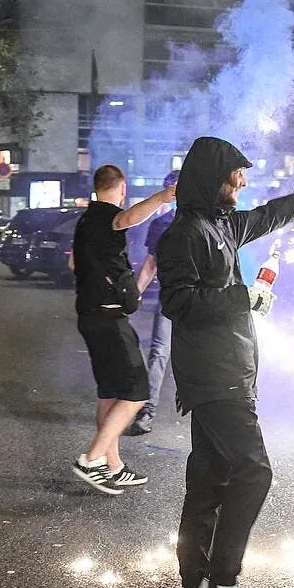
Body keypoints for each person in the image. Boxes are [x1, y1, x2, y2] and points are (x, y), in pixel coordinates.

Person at [157, 136, 294, 588]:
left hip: (230, 370)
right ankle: (222, 584)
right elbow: (179, 304)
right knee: (254, 473)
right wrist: (247, 296)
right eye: (231, 176)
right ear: (208, 180)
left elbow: (267, 216)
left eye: (241, 175)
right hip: (213, 376)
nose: (240, 183)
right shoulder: (184, 234)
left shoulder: (221, 224)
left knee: (207, 484)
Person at [71, 164, 176, 495]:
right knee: (136, 391)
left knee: (110, 392)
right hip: (108, 317)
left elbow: (73, 263)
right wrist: (162, 197)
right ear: (121, 189)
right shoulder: (105, 215)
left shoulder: (85, 220)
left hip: (90, 315)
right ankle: (91, 459)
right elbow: (126, 219)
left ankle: (112, 466)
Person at [124, 169, 180, 436]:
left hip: (200, 301)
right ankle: (147, 412)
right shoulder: (161, 224)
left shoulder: (207, 218)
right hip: (170, 298)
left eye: (175, 186)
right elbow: (150, 265)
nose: (172, 191)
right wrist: (133, 294)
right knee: (159, 352)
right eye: (168, 187)